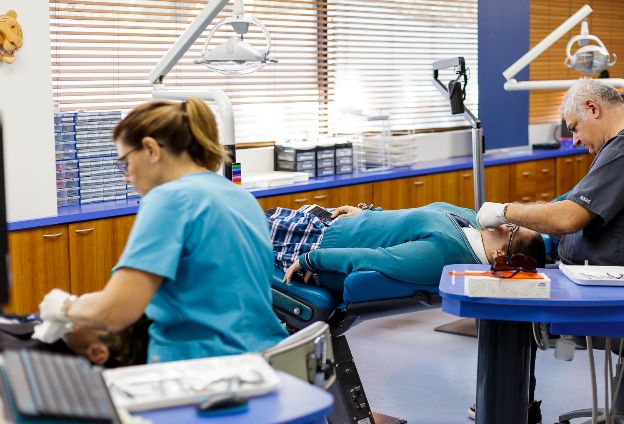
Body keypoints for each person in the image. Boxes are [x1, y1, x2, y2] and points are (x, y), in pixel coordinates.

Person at [476, 77, 624, 423]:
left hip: (616, 287)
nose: (575, 141)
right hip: (610, 274)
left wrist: (504, 211)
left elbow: (569, 217)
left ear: (592, 108)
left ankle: (504, 411)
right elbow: (575, 205)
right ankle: (511, 405)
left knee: (504, 298)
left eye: (574, 129)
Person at [38, 98, 289, 363]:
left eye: (125, 162)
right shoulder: (238, 195)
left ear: (150, 149)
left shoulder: (169, 199)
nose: (126, 176)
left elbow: (116, 311)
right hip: (264, 360)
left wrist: (65, 308)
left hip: (204, 369)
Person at [270, 202, 546, 289]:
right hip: (327, 221)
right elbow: (406, 219)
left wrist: (312, 260)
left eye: (511, 227)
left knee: (232, 222)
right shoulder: (472, 224)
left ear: (499, 254)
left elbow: (374, 258)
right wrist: (368, 212)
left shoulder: (445, 254)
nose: (505, 221)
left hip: (312, 242)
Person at [0, 313, 150, 367]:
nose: (81, 305)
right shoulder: (55, 326)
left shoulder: (33, 357)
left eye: (90, 316)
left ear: (97, 352)